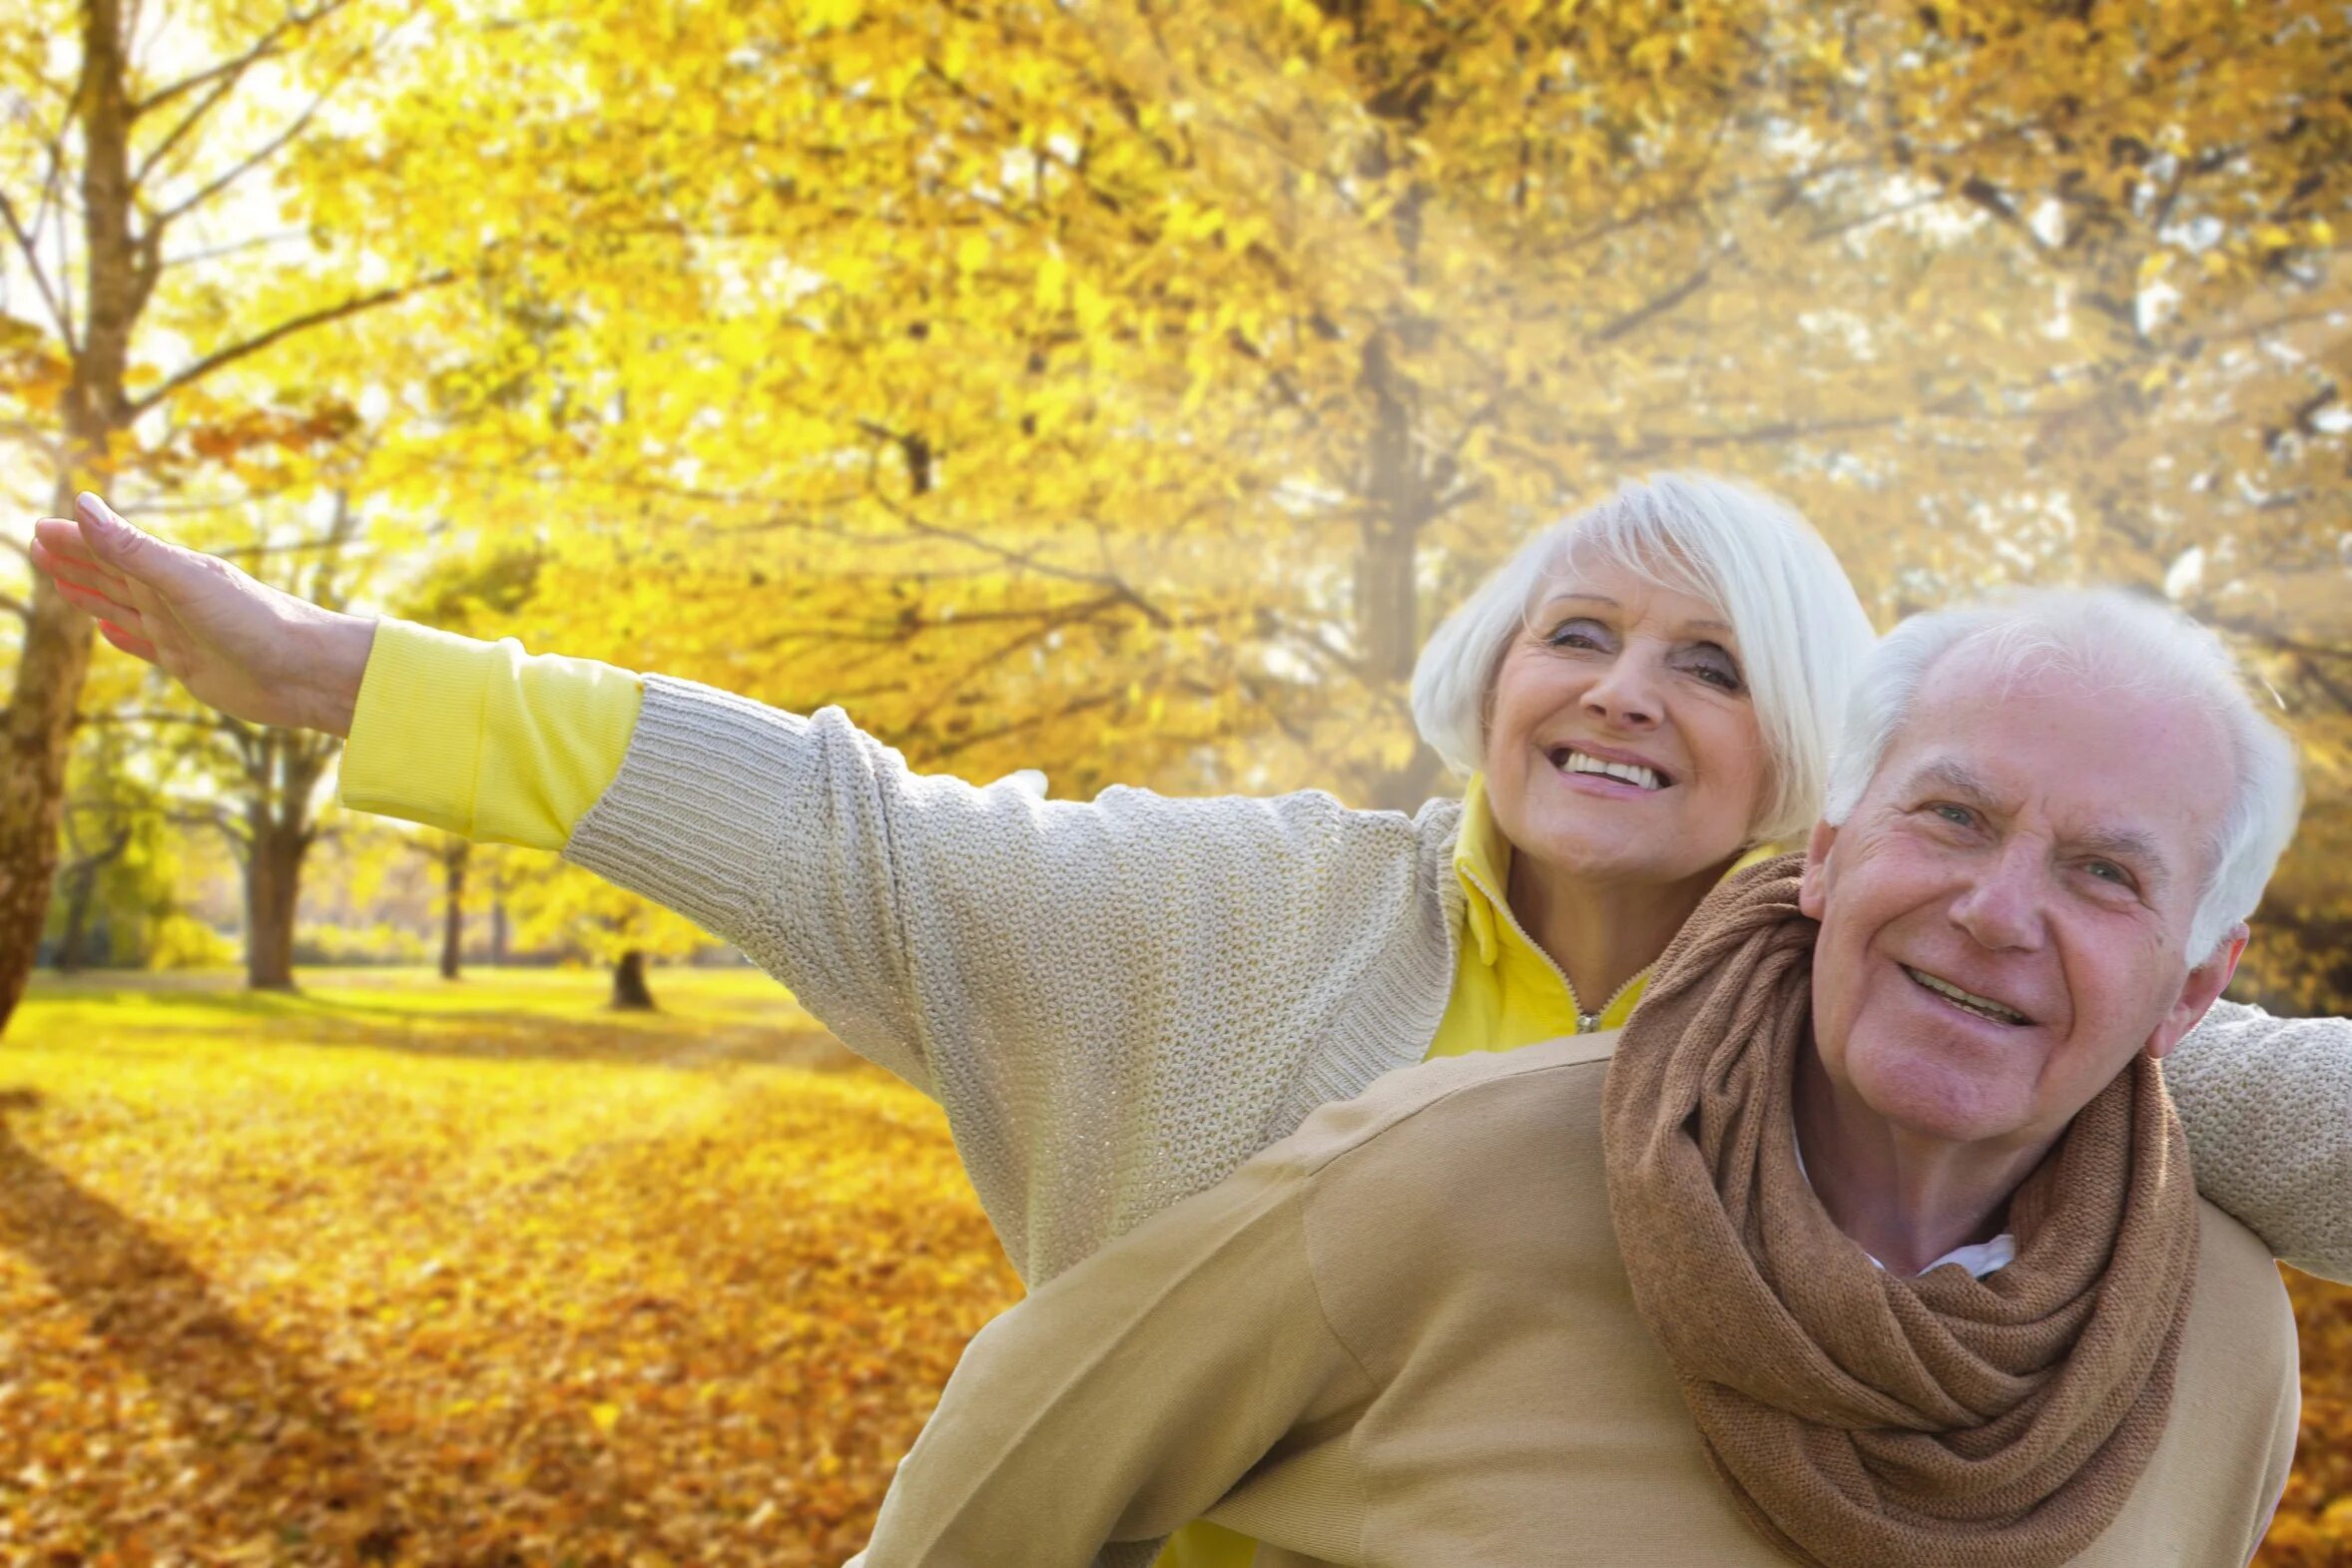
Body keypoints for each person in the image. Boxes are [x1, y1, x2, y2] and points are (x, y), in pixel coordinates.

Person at [27, 480, 2349, 1567]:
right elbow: (845, 831)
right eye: (1576, 634)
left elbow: (2247, 1097)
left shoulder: (1927, 1004)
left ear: (1816, 774)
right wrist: (347, 680)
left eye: (1712, 661)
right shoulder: (1223, 922)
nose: (1621, 693)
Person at [846, 589, 2303, 1568]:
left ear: (2191, 984)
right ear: (1832, 854)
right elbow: (1001, 1489)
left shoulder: (2218, 1335)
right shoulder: (1442, 1183)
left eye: (2105, 873)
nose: (1997, 910)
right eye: (1955, 816)